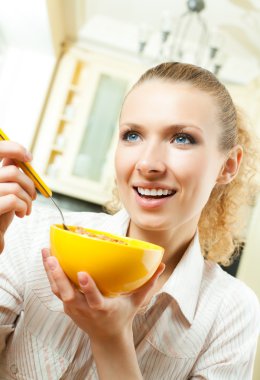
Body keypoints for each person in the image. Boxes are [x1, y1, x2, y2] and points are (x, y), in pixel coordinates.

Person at [0, 62, 259, 380]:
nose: (148, 163)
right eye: (132, 135)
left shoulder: (231, 312)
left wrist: (111, 339)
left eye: (181, 139)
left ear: (228, 165)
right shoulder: (32, 234)